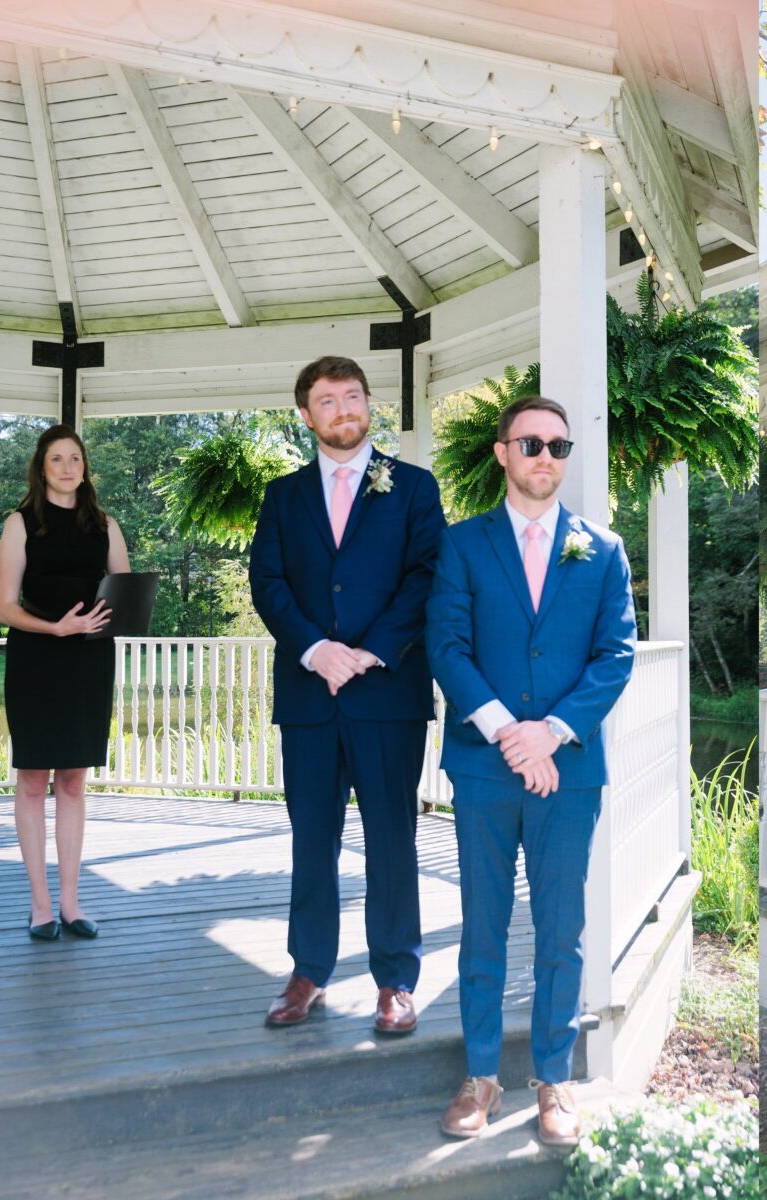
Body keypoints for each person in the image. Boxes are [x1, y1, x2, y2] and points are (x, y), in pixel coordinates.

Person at [426, 396, 635, 1145]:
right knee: (482, 924)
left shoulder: (602, 548)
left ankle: (555, 1079)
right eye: (532, 443)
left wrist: (548, 735)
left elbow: (615, 656)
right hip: (485, 768)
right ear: (502, 453)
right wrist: (507, 734)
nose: (546, 457)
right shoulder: (463, 545)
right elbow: (446, 644)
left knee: (562, 930)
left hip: (568, 772)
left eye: (558, 446)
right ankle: (482, 1074)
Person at [248, 356, 446, 1034]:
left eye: (353, 396)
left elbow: (426, 577)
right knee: (312, 838)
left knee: (392, 837)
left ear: (370, 405)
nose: (343, 409)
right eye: (327, 400)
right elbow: (268, 582)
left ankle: (395, 979)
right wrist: (315, 649)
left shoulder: (415, 488)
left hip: (387, 692)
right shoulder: (282, 496)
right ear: (306, 415)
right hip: (308, 695)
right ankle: (309, 970)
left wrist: (368, 651)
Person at [0, 425, 129, 941]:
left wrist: (111, 617)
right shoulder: (19, 523)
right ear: (42, 467)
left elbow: (124, 595)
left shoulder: (106, 526)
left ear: (84, 466)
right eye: (57, 459)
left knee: (73, 781)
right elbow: (5, 607)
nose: (68, 467)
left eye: (76, 458)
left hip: (89, 661)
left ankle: (72, 905)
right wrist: (56, 627)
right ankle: (40, 906)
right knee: (32, 781)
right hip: (37, 658)